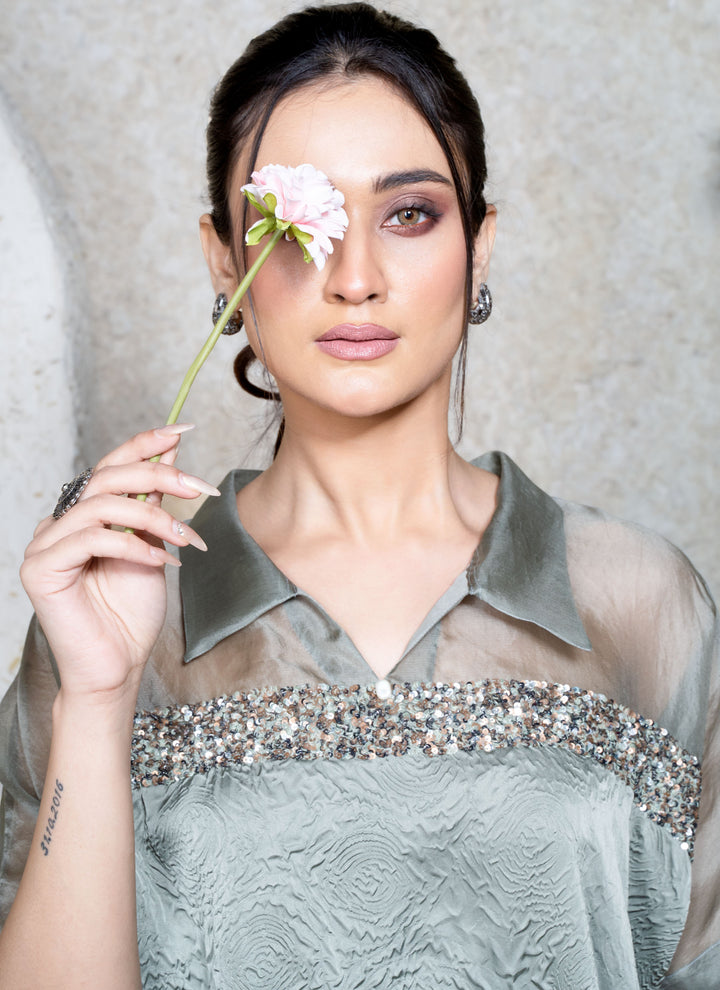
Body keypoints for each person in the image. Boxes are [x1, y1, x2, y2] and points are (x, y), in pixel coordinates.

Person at [0, 4, 717, 988]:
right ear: (224, 259)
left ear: (481, 246)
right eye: (293, 226)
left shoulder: (636, 600)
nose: (356, 277)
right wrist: (94, 698)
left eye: (410, 213)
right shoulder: (118, 617)